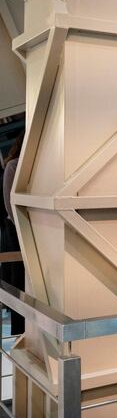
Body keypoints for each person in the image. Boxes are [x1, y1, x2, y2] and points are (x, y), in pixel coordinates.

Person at [2, 131, 25, 335]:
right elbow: (10, 205)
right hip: (16, 232)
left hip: (30, 231)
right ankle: (19, 333)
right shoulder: (14, 165)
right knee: (19, 281)